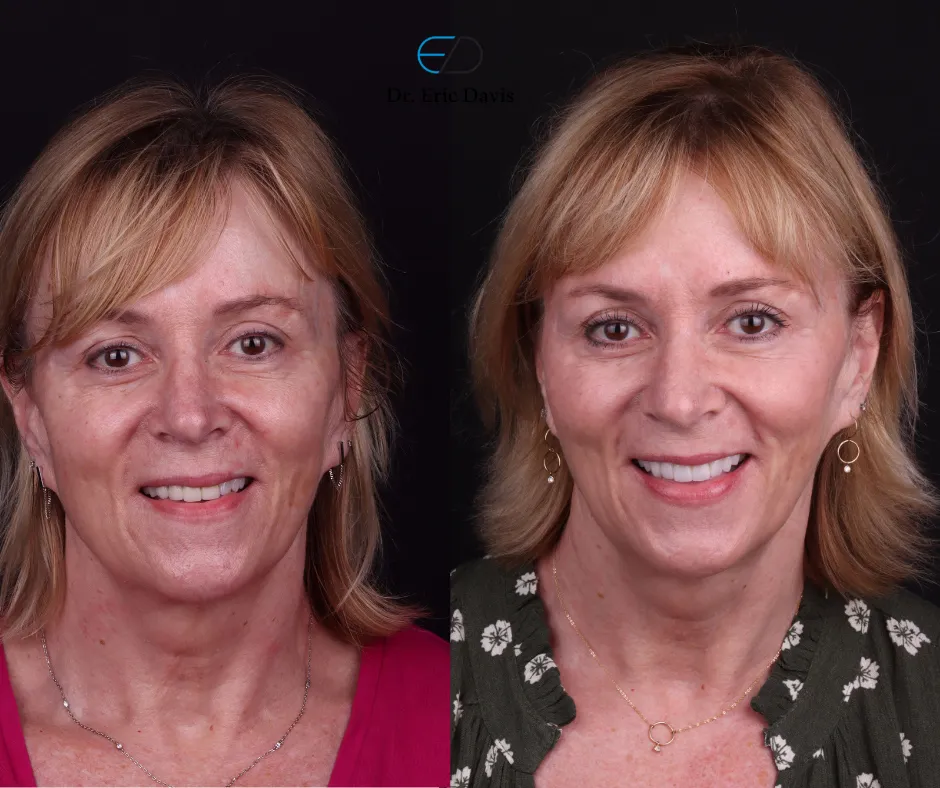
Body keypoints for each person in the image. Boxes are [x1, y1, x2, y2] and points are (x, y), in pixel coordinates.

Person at [451, 44, 940, 788]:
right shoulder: (407, 675)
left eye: (752, 323)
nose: (679, 400)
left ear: (857, 359)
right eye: (614, 328)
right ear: (538, 365)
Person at [0, 75, 448, 787]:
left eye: (253, 344)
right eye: (116, 354)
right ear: (31, 416)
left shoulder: (486, 725)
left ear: (347, 388)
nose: (189, 415)